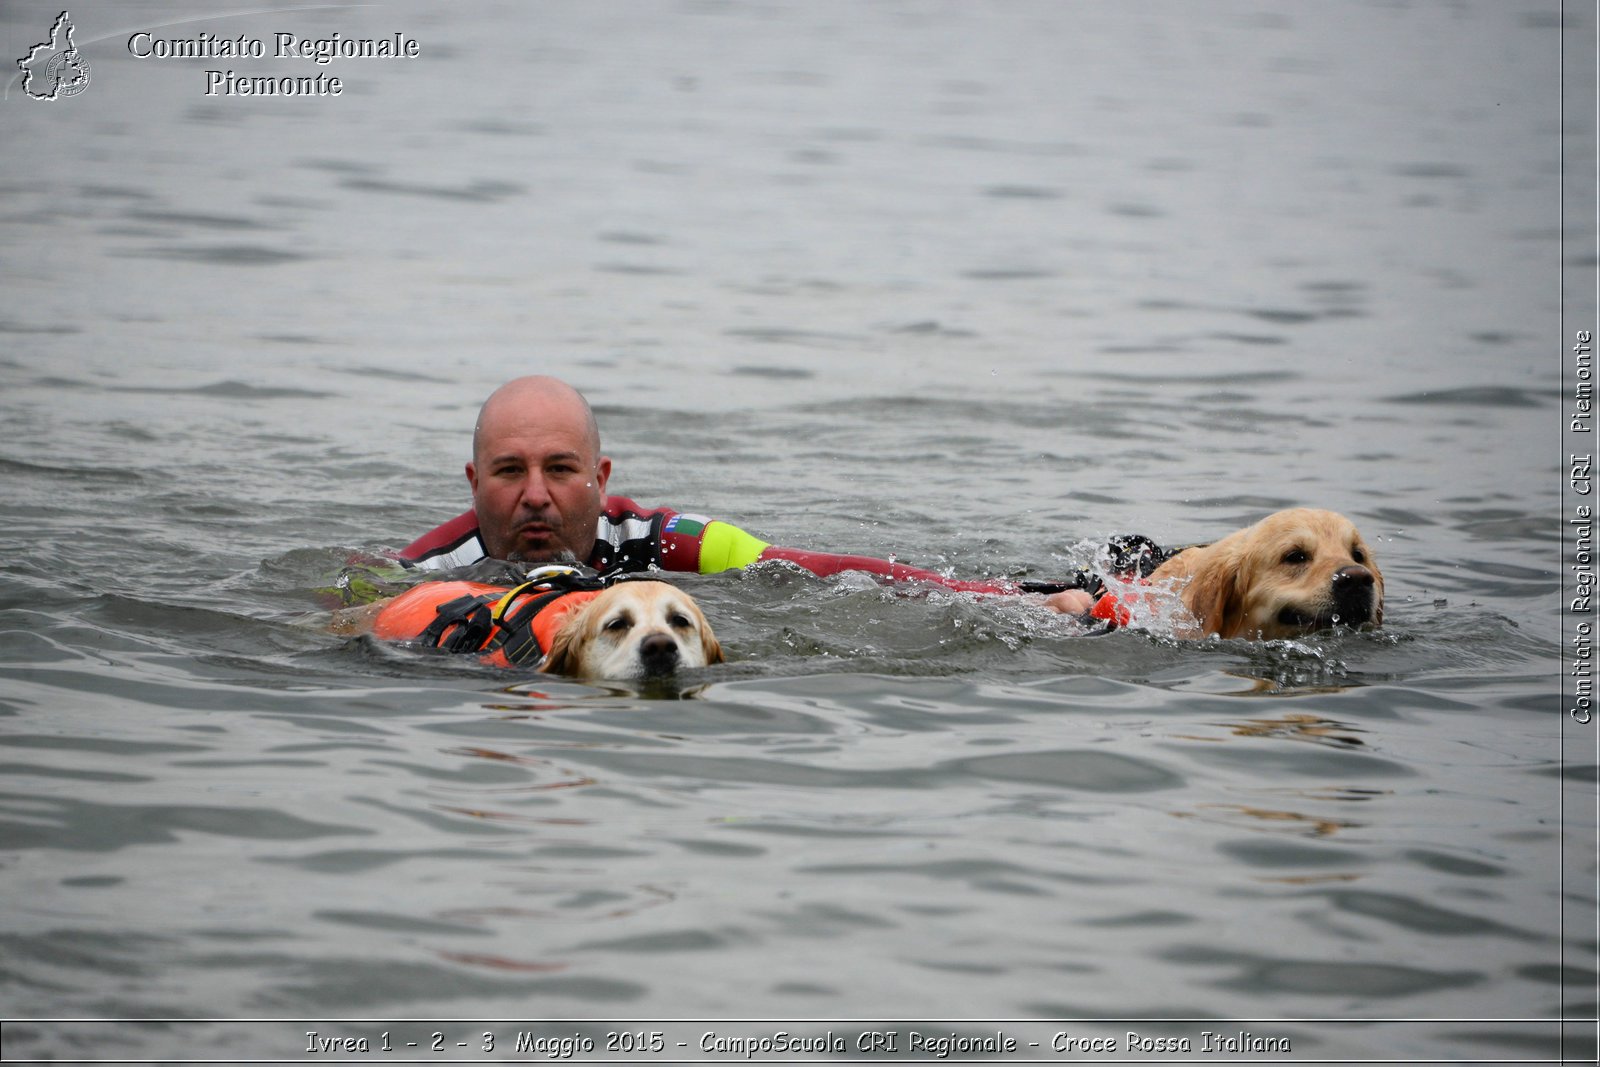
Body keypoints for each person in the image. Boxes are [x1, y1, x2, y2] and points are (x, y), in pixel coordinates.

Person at [397, 376, 1095, 614]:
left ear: (602, 478)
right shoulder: (426, 573)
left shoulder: (657, 539)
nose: (537, 496)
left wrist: (1022, 596)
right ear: (472, 482)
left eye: (559, 467)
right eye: (510, 471)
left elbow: (826, 573)